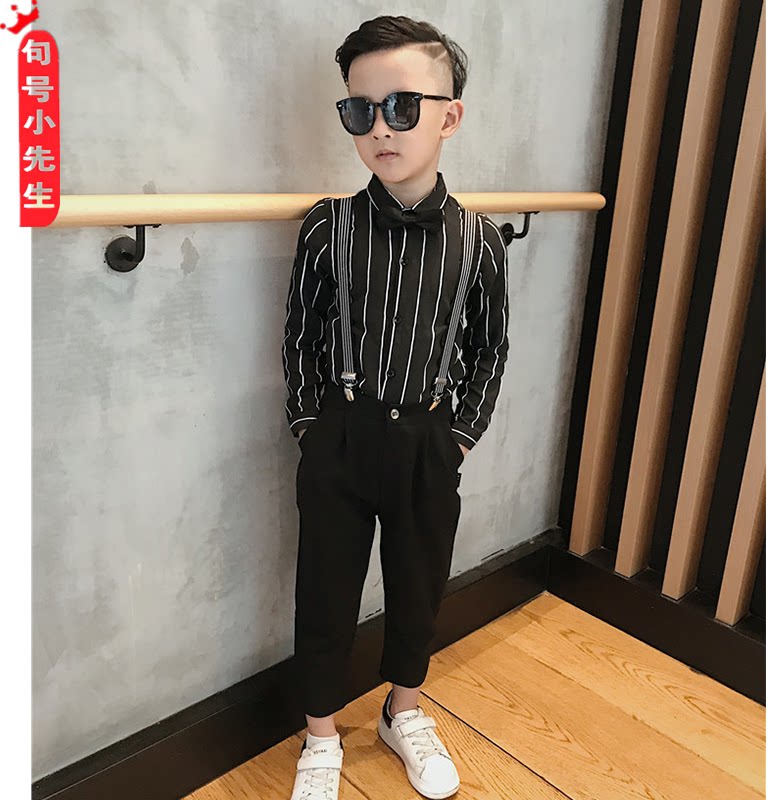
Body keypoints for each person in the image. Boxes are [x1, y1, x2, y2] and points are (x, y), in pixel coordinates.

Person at [282, 14, 509, 800]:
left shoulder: (479, 240)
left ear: (450, 116)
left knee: (419, 583)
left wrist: (460, 435)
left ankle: (402, 711)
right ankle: (319, 734)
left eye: (403, 107)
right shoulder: (329, 227)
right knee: (325, 588)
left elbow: (489, 347)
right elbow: (300, 335)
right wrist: (311, 428)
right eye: (360, 110)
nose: (380, 128)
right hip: (341, 435)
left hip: (428, 438)